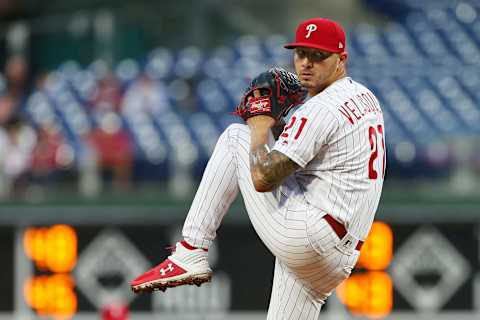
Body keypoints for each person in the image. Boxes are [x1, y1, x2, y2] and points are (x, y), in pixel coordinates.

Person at [131, 17, 386, 319]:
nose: (306, 63)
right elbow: (318, 154)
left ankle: (191, 251)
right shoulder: (364, 97)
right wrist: (281, 127)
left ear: (341, 59)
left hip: (310, 236)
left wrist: (259, 127)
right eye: (301, 53)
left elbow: (263, 178)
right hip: (340, 256)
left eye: (318, 55)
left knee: (235, 138)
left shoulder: (320, 109)